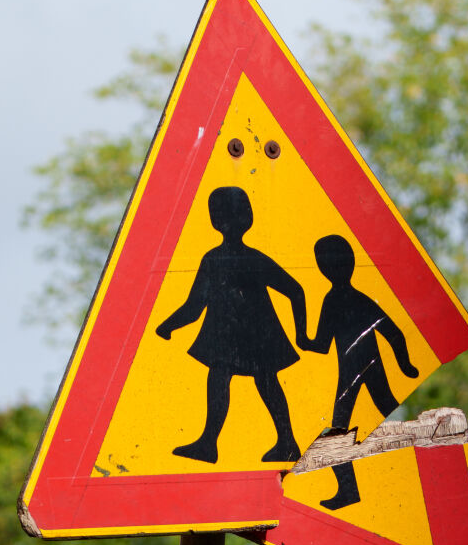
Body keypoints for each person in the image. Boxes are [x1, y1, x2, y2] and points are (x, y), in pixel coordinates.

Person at [155, 186, 309, 464]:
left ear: (215, 220)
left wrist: (167, 327)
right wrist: (301, 334)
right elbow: (295, 291)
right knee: (252, 380)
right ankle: (215, 443)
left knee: (240, 379)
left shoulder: (218, 259)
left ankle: (282, 442)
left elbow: (193, 308)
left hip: (244, 336)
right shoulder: (238, 258)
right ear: (247, 217)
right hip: (238, 336)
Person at [303, 234, 419, 510]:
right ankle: (356, 489)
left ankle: (376, 484)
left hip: (359, 373)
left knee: (339, 433)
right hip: (361, 371)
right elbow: (392, 333)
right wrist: (405, 366)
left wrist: (406, 366)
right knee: (380, 419)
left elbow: (391, 331)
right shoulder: (347, 299)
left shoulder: (340, 300)